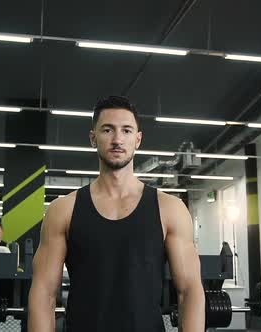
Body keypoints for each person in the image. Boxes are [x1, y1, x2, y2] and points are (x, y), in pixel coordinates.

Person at [28, 96, 205, 331]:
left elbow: (190, 291)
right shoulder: (63, 210)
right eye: (108, 130)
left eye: (127, 130)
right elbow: (44, 294)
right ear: (93, 138)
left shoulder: (169, 209)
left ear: (138, 139)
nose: (118, 139)